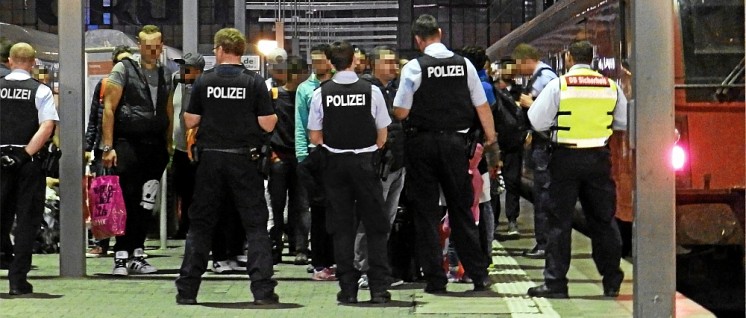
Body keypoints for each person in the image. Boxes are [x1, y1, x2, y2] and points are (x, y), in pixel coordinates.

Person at [393, 14, 497, 294]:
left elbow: (401, 111)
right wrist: (490, 136)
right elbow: (481, 105)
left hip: (421, 146)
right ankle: (477, 275)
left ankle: (436, 281)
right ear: (440, 32)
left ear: (417, 39)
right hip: (456, 145)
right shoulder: (464, 65)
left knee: (425, 213)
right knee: (462, 211)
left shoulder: (414, 67)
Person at [174, 27, 279, 305]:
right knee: (255, 225)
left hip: (210, 159)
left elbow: (190, 121)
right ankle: (263, 291)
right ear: (241, 51)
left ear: (220, 50)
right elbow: (268, 123)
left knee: (201, 225)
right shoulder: (254, 82)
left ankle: (187, 291)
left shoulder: (203, 82)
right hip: (245, 159)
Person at [526, 40, 626, 298]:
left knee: (559, 222)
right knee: (604, 221)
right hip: (598, 159)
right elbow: (624, 120)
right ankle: (612, 280)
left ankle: (555, 283)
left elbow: (536, 120)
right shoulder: (610, 86)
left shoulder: (559, 85)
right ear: (591, 59)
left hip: (564, 159)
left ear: (569, 58)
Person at [307, 40, 392, 304]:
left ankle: (348, 289)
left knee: (342, 228)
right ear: (355, 60)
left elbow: (315, 135)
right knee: (376, 226)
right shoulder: (372, 91)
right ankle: (378, 288)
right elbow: (383, 134)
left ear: (330, 63)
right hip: (366, 164)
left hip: (335, 166)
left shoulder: (321, 93)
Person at [101, 25, 172, 276]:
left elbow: (168, 110)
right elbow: (109, 108)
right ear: (140, 46)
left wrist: (168, 143)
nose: (153, 50)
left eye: (157, 45)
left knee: (146, 202)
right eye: (148, 46)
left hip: (155, 146)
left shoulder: (166, 73)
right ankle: (121, 255)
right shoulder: (124, 69)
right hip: (127, 144)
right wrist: (107, 147)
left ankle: (138, 253)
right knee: (127, 199)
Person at [0, 42, 59, 295]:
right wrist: (24, 155)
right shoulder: (40, 90)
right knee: (27, 220)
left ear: (10, 61)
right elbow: (46, 127)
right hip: (28, 162)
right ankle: (18, 279)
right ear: (33, 63)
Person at [355, 46, 405, 289]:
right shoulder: (367, 90)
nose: (394, 66)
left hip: (396, 165)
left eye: (395, 62)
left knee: (386, 220)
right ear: (373, 64)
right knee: (371, 219)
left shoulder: (394, 90)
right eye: (387, 62)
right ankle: (365, 269)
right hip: (377, 166)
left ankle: (379, 267)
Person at [84, 45, 133, 257]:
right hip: (103, 150)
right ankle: (101, 243)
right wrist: (89, 147)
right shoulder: (104, 85)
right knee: (103, 197)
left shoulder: (136, 88)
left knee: (127, 197)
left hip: (127, 148)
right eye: (121, 61)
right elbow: (95, 118)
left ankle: (127, 244)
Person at [295, 43, 337, 280]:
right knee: (318, 211)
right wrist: (303, 155)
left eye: (321, 60)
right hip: (314, 155)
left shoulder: (340, 85)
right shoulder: (305, 89)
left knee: (338, 210)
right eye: (314, 60)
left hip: (339, 155)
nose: (317, 64)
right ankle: (320, 260)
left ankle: (336, 259)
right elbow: (301, 124)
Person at [512, 43, 557, 259]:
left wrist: (531, 104)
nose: (518, 69)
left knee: (544, 196)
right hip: (540, 143)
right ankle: (543, 243)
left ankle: (545, 245)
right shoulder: (541, 78)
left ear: (527, 59)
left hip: (545, 147)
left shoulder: (545, 79)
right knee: (541, 195)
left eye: (519, 64)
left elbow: (551, 111)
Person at [267, 55, 311, 265]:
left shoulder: (307, 96)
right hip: (280, 157)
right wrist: (271, 154)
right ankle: (277, 245)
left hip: (300, 156)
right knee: (277, 205)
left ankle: (299, 246)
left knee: (300, 205)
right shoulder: (275, 96)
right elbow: (265, 127)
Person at [170, 52, 204, 239]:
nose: (182, 71)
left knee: (196, 190)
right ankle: (183, 226)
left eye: (187, 68)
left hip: (196, 149)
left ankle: (195, 227)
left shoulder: (202, 89)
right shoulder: (177, 85)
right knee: (181, 189)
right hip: (179, 148)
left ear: (198, 71)